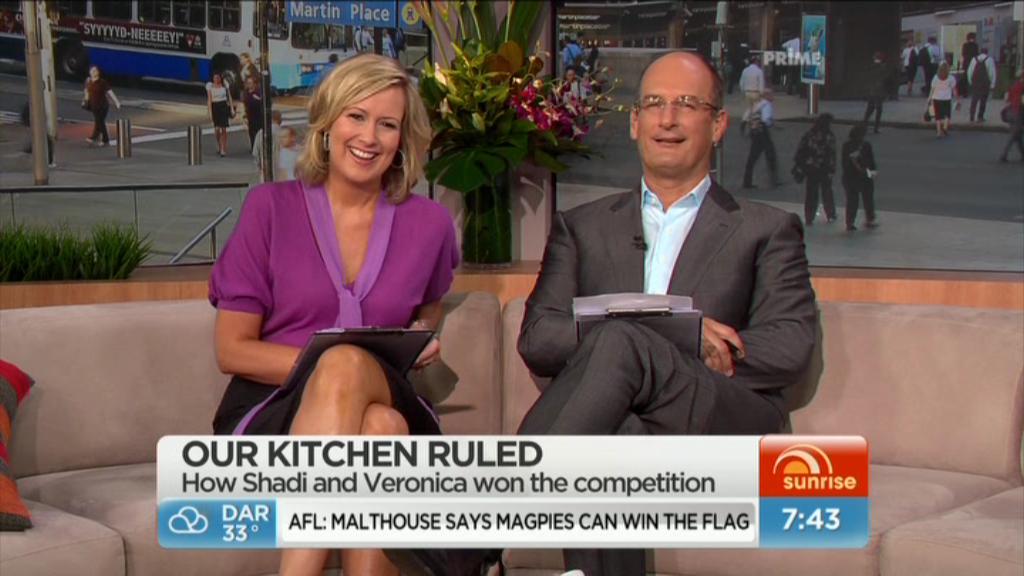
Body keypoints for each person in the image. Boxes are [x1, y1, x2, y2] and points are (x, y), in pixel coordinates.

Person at [387, 51, 817, 576]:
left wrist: (674, 342)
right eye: (653, 103)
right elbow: (539, 338)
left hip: (718, 419)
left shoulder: (766, 228)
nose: (667, 118)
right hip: (618, 419)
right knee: (613, 434)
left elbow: (790, 346)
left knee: (618, 339)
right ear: (634, 123)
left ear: (719, 124)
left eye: (687, 104)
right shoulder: (582, 227)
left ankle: (482, 527)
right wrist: (677, 334)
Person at [210, 54, 456, 576]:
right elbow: (232, 350)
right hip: (272, 410)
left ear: (402, 139)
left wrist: (420, 338)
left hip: (389, 387)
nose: (369, 137)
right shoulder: (269, 209)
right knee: (380, 426)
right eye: (356, 116)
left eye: (387, 124)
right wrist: (328, 369)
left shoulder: (431, 224)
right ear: (327, 123)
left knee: (356, 378)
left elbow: (427, 312)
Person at [794, 113, 837, 226]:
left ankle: (809, 217)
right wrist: (832, 169)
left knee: (811, 194)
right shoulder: (829, 136)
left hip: (811, 168)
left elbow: (801, 150)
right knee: (827, 192)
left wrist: (801, 165)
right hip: (824, 168)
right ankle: (830, 214)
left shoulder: (809, 135)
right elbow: (832, 154)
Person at [841, 124, 878, 232]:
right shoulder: (853, 146)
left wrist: (871, 173)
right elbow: (846, 164)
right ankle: (854, 222)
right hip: (855, 177)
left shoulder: (862, 145)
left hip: (859, 176)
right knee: (858, 200)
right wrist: (870, 174)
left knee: (861, 200)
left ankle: (857, 221)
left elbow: (871, 160)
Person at [741, 89, 778, 188]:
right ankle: (774, 179)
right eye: (771, 95)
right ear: (767, 96)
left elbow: (745, 117)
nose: (773, 97)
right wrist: (771, 124)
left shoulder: (755, 105)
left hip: (754, 132)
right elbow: (766, 119)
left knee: (752, 156)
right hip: (763, 132)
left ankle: (747, 181)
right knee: (770, 154)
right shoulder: (767, 105)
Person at [83, 66, 121, 147]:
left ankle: (102, 139)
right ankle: (96, 137)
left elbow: (110, 92)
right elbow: (86, 92)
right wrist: (85, 101)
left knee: (100, 121)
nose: (93, 72)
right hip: (94, 105)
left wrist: (116, 102)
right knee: (99, 122)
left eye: (95, 71)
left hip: (103, 106)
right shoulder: (88, 81)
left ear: (98, 72)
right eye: (92, 70)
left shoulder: (102, 82)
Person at [206, 72, 234, 156]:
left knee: (224, 128)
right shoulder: (210, 86)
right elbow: (209, 99)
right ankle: (219, 144)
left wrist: (232, 108)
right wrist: (210, 112)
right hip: (215, 107)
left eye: (217, 78)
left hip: (223, 106)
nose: (216, 79)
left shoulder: (225, 85)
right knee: (217, 129)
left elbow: (229, 97)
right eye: (215, 78)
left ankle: (223, 149)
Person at [929, 61, 958, 137]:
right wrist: (957, 98)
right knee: (947, 114)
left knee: (937, 116)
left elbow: (932, 89)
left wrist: (929, 98)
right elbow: (954, 89)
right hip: (946, 98)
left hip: (936, 98)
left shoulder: (935, 77)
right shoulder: (951, 78)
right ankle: (945, 128)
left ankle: (938, 131)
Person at [999, 72, 1024, 162]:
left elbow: (1008, 98)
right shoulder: (1022, 87)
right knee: (1014, 135)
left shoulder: (1014, 85)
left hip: (1010, 111)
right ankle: (1004, 155)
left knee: (1018, 135)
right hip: (1018, 112)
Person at [967, 48, 996, 122]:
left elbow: (969, 71)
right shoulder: (989, 60)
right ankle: (980, 116)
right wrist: (992, 84)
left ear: (980, 52)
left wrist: (970, 81)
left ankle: (972, 116)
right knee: (983, 101)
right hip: (985, 84)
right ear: (987, 52)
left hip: (975, 83)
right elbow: (992, 73)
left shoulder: (974, 59)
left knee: (974, 100)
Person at [863, 52, 888, 134]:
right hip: (879, 91)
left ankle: (864, 126)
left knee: (869, 109)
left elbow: (867, 78)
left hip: (871, 90)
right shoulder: (883, 67)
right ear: (881, 59)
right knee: (879, 110)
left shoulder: (870, 67)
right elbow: (884, 79)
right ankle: (876, 128)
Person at [242, 76, 264, 152]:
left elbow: (263, 102)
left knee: (259, 131)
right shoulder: (246, 93)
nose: (249, 85)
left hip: (258, 114)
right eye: (248, 83)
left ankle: (259, 146)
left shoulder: (258, 92)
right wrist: (245, 116)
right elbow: (245, 104)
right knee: (251, 132)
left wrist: (258, 99)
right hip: (250, 115)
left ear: (254, 84)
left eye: (250, 83)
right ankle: (253, 147)